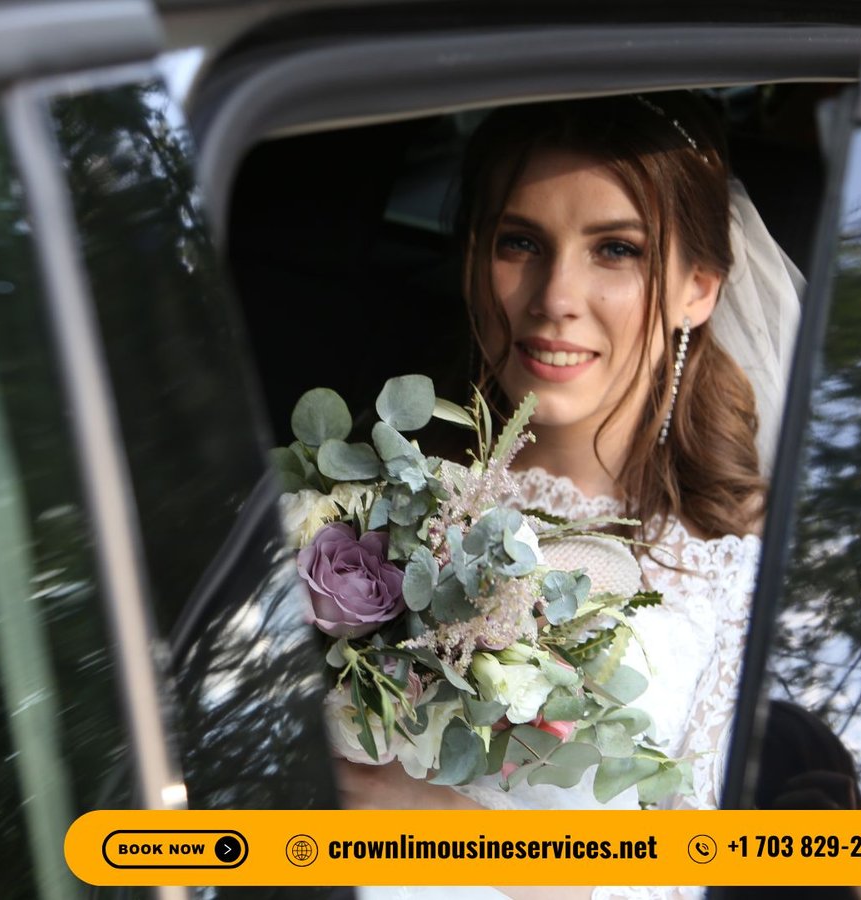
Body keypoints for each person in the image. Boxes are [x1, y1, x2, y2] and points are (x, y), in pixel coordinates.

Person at [337, 92, 805, 900]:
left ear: (698, 287)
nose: (555, 295)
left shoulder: (739, 572)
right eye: (522, 241)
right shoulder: (368, 495)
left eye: (615, 250)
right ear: (476, 255)